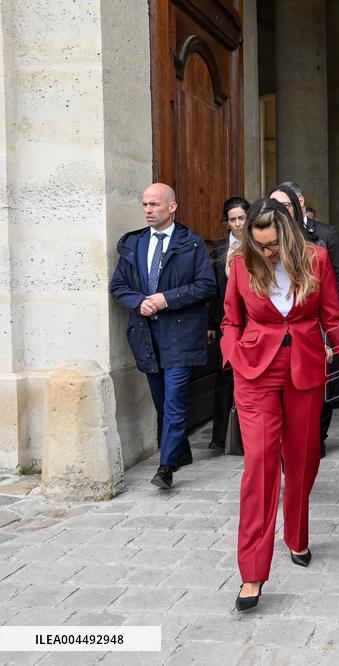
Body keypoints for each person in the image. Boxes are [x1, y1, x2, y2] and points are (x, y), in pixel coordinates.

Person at [221, 198, 339, 611]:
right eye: (259, 245)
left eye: (274, 244)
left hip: (305, 369)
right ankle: (252, 573)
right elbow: (230, 319)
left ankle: (296, 536)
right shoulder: (243, 264)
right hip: (255, 371)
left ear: (289, 233)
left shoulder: (317, 259)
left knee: (303, 461)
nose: (268, 253)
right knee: (258, 467)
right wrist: (233, 352)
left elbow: (332, 317)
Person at [110, 183, 216, 489]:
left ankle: (166, 466)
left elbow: (206, 286)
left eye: (154, 204)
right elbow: (118, 286)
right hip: (146, 335)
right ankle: (180, 451)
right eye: (144, 204)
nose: (147, 210)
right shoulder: (133, 244)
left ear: (172, 207)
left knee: (175, 400)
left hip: (180, 333)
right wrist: (138, 301)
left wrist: (166, 298)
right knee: (161, 399)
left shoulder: (191, 243)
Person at [269, 184, 339, 452]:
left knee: (319, 386)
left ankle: (317, 437)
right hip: (270, 348)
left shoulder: (324, 237)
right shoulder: (257, 249)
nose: (278, 212)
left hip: (317, 323)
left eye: (285, 206)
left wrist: (330, 329)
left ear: (298, 205)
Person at [208, 196, 249, 450]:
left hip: (252, 319)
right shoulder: (219, 249)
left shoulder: (258, 244)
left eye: (241, 218)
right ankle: (219, 436)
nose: (237, 224)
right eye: (232, 219)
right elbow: (214, 290)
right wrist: (212, 323)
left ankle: (244, 435)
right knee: (224, 375)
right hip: (227, 320)